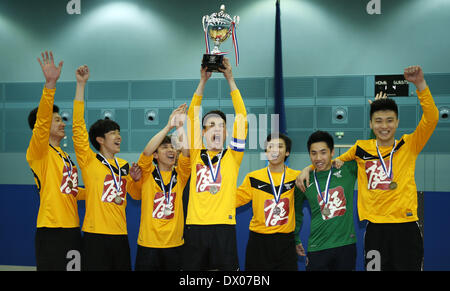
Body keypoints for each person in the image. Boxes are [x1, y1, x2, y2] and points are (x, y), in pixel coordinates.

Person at [297, 66, 439, 271]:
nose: (384, 126)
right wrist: (307, 169)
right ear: (371, 124)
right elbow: (331, 162)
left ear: (397, 122)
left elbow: (432, 118)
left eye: (390, 120)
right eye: (378, 121)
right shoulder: (360, 149)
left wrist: (420, 85)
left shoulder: (409, 145)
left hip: (406, 228)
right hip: (376, 231)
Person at [72, 65, 141, 271]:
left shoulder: (125, 166)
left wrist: (136, 181)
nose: (118, 136)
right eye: (113, 133)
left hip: (120, 234)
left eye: (119, 132)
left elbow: (135, 196)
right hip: (95, 235)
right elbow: (77, 127)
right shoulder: (89, 159)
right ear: (100, 139)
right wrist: (81, 85)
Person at [183, 57, 248, 270]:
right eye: (210, 125)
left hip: (224, 226)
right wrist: (203, 81)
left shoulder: (233, 155)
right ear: (203, 132)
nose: (216, 129)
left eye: (221, 125)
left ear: (226, 131)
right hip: (195, 226)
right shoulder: (195, 153)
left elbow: (242, 116)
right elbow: (192, 116)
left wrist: (230, 79)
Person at [26, 51, 83, 271]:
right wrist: (50, 85)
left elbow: (71, 192)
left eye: (61, 119)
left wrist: (99, 190)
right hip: (51, 230)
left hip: (72, 229)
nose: (62, 123)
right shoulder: (39, 152)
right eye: (57, 120)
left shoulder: (66, 157)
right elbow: (41, 122)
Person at [130, 104, 191, 271]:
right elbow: (147, 151)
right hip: (149, 244)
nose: (171, 150)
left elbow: (187, 153)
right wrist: (168, 126)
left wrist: (180, 128)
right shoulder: (147, 173)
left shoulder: (181, 174)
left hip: (175, 244)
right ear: (156, 155)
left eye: (172, 147)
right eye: (165, 147)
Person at [294, 131, 357, 271]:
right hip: (317, 248)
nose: (318, 158)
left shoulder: (347, 169)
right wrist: (296, 238)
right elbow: (296, 213)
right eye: (313, 153)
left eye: (323, 152)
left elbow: (369, 150)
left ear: (332, 152)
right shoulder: (304, 180)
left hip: (345, 245)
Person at [236, 133, 299, 271]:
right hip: (259, 242)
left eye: (280, 146)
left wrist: (309, 168)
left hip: (286, 242)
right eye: (270, 146)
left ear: (287, 152)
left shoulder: (297, 177)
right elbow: (232, 200)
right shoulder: (253, 178)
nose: (274, 150)